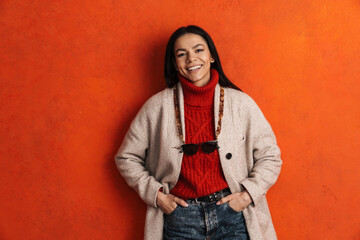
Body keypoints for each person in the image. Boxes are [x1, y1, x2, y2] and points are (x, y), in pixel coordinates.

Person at [115, 25, 282, 240]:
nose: (191, 58)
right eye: (181, 54)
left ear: (211, 56)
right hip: (180, 219)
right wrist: (158, 196)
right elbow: (126, 157)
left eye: (198, 50)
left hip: (233, 216)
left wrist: (247, 195)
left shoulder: (241, 103)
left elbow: (271, 156)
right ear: (174, 63)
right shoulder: (156, 107)